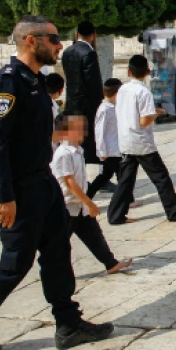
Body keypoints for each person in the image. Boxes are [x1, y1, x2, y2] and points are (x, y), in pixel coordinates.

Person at [0, 15, 113, 350]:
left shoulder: (35, 81)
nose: (59, 45)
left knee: (57, 253)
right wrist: (4, 197)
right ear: (31, 40)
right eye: (53, 39)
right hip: (21, 190)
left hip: (44, 183)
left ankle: (68, 323)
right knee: (15, 263)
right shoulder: (8, 82)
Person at [107, 55, 176, 225]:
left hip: (125, 140)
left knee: (126, 181)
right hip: (141, 142)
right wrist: (155, 113)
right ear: (147, 72)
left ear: (129, 71)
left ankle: (116, 215)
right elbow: (144, 121)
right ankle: (174, 212)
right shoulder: (143, 92)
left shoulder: (122, 90)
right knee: (161, 178)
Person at [50, 115, 132, 274]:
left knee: (94, 236)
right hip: (66, 207)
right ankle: (49, 271)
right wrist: (89, 202)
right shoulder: (63, 154)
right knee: (58, 243)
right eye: (77, 129)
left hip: (78, 206)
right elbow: (70, 183)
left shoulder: (78, 151)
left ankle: (110, 263)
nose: (82, 132)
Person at [61, 22, 107, 191]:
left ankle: (76, 178)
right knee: (94, 145)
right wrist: (100, 107)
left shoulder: (66, 52)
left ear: (76, 34)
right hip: (86, 108)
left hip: (71, 105)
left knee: (74, 145)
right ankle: (100, 178)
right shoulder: (89, 54)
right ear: (93, 35)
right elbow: (93, 85)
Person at [89, 79, 138, 205]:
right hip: (111, 150)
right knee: (123, 176)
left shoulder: (114, 107)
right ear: (116, 94)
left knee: (105, 176)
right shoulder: (104, 109)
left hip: (117, 148)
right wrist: (101, 151)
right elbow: (99, 132)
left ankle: (87, 196)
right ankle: (126, 201)